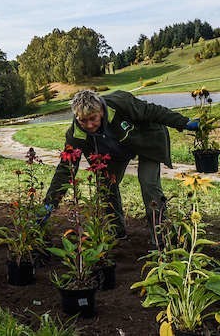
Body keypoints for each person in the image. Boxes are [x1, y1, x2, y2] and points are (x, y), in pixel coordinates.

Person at [43, 89, 199, 243]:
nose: (89, 125)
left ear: (101, 111)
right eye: (83, 121)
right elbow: (66, 168)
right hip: (116, 153)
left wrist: (184, 122)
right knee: (105, 186)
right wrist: (50, 202)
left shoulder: (121, 103)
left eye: (93, 118)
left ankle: (161, 237)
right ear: (76, 117)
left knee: (148, 183)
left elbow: (153, 111)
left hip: (146, 140)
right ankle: (116, 231)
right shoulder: (75, 135)